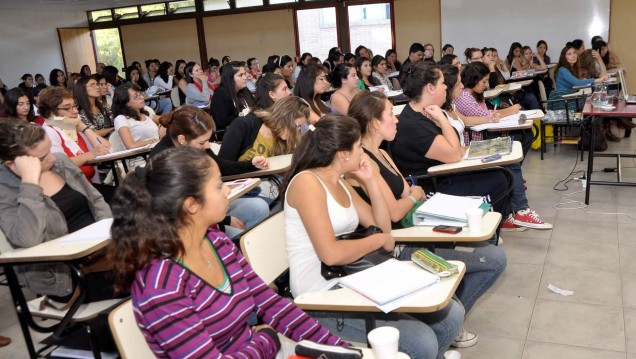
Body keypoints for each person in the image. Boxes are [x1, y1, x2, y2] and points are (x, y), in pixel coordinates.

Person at [109, 147, 347, 358]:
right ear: (191, 205)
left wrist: (339, 348)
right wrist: (267, 342)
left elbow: (271, 304)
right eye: (218, 185)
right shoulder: (161, 285)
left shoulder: (217, 241)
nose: (228, 189)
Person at [284, 115, 464, 359]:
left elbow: (382, 227)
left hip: (351, 274)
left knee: (451, 315)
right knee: (421, 341)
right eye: (359, 147)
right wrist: (378, 241)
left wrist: (370, 182)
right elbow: (332, 253)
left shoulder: (339, 181)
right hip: (320, 293)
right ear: (342, 154)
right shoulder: (308, 182)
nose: (363, 153)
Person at [347, 89, 507, 347]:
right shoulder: (363, 161)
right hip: (402, 245)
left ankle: (447, 320)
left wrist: (412, 196)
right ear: (375, 122)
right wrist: (412, 197)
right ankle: (446, 324)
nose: (397, 119)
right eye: (391, 114)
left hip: (416, 228)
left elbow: (408, 192)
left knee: (493, 256)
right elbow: (396, 211)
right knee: (492, 258)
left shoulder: (382, 153)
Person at [0, 118, 114, 303]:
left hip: (104, 253)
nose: (52, 158)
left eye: (50, 149)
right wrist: (30, 181)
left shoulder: (59, 162)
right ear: (12, 164)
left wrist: (107, 235)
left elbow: (96, 200)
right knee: (148, 277)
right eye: (42, 158)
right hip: (68, 275)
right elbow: (28, 239)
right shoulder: (4, 189)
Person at [389, 62, 512, 219]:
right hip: (431, 187)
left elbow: (454, 148)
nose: (446, 87)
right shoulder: (414, 124)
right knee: (499, 180)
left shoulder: (423, 113)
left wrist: (484, 148)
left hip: (444, 175)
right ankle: (484, 228)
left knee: (498, 173)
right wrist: (443, 119)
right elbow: (453, 154)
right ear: (430, 88)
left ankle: (488, 227)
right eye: (442, 83)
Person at [148, 105, 270, 237]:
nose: (207, 146)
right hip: (185, 226)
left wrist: (250, 164)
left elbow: (221, 166)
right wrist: (224, 221)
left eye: (208, 140)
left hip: (206, 207)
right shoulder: (162, 162)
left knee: (259, 207)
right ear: (182, 139)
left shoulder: (193, 144)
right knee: (242, 239)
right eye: (202, 142)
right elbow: (181, 211)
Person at [35, 86, 111, 181]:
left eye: (74, 106)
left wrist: (84, 127)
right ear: (51, 112)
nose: (75, 111)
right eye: (67, 108)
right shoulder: (48, 132)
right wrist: (91, 154)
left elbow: (107, 149)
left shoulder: (75, 128)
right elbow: (59, 164)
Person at [219, 96, 309, 162]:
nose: (297, 131)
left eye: (300, 127)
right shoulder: (243, 125)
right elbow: (223, 166)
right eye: (297, 126)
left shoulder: (286, 139)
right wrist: (251, 166)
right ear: (285, 118)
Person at [210, 61, 255, 132]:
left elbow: (254, 106)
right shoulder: (220, 95)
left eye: (245, 74)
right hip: (231, 132)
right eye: (240, 75)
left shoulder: (244, 90)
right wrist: (243, 114)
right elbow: (222, 122)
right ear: (230, 78)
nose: (245, 77)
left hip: (248, 127)